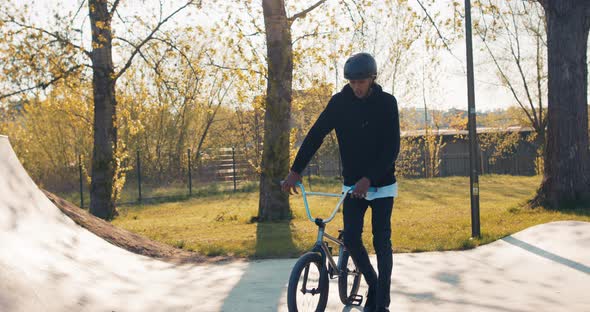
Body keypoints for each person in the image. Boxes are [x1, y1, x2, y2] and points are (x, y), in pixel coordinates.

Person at [281, 52, 400, 312]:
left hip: (382, 185)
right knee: (353, 240)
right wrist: (295, 170)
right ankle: (373, 284)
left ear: (372, 78)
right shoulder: (339, 103)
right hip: (352, 186)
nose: (356, 86)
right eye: (352, 82)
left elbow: (392, 148)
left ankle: (381, 303)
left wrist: (369, 179)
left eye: (361, 81)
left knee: (382, 243)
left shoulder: (387, 103)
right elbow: (315, 135)